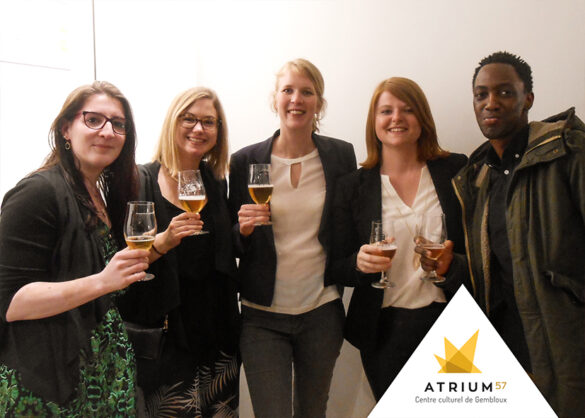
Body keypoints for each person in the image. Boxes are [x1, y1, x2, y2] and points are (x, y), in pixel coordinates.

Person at [422, 51, 585, 418]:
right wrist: (453, 265)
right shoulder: (478, 177)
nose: (491, 103)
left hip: (567, 348)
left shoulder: (567, 149)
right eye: (481, 94)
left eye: (505, 92)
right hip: (506, 351)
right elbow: (498, 267)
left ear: (528, 99)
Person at [0, 81, 149, 415]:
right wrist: (103, 282)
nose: (107, 132)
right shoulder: (37, 193)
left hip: (101, 379)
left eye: (118, 124)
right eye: (93, 119)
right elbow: (11, 303)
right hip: (49, 388)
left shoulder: (96, 192)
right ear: (66, 129)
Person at [228, 58, 356, 418]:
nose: (296, 99)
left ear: (319, 103)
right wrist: (243, 230)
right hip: (262, 317)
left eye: (306, 92)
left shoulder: (340, 155)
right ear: (275, 99)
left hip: (322, 312)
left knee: (313, 411)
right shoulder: (245, 160)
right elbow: (231, 242)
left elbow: (348, 226)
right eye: (288, 90)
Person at [330, 77, 467, 400]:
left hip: (450, 320)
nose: (396, 118)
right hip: (384, 330)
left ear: (422, 117)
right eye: (386, 111)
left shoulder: (455, 169)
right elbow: (334, 266)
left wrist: (453, 263)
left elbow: (479, 247)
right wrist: (359, 263)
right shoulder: (352, 187)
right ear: (373, 122)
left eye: (407, 109)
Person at [116, 87, 240, 417]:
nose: (199, 128)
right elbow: (119, 263)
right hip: (168, 335)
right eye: (189, 118)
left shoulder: (216, 181)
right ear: (173, 122)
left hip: (217, 332)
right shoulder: (138, 180)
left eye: (209, 122)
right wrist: (163, 242)